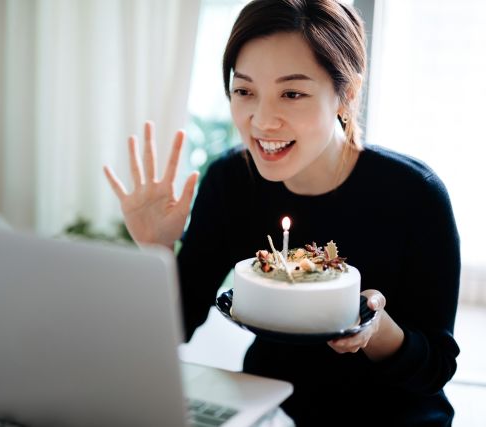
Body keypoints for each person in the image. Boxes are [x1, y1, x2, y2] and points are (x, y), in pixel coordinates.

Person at [103, 0, 461, 425]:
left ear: (347, 94)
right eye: (245, 91)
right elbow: (173, 331)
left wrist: (373, 330)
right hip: (266, 411)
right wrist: (156, 250)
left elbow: (435, 368)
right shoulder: (230, 182)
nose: (262, 120)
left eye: (292, 93)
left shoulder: (414, 195)